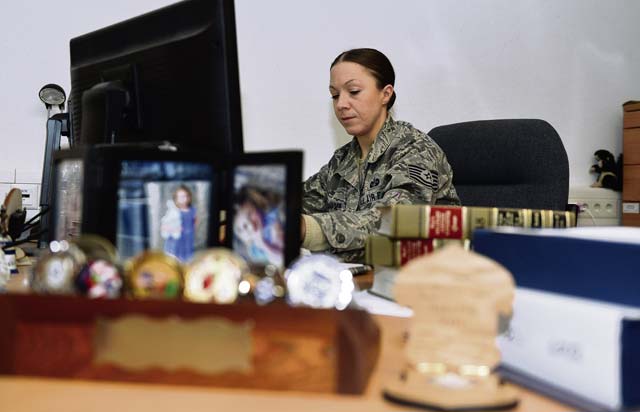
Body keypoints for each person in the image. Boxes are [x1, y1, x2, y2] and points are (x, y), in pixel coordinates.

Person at [301, 48, 460, 263]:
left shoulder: (416, 150)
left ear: (385, 94)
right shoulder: (343, 159)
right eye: (335, 95)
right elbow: (299, 201)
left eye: (354, 91)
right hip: (359, 282)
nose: (341, 104)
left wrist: (308, 229)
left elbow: (395, 222)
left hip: (420, 283)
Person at [161, 185, 197, 262]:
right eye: (180, 197)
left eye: (185, 196)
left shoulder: (192, 209)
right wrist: (174, 228)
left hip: (188, 238)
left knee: (188, 256)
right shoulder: (174, 212)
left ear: (189, 197)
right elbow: (166, 224)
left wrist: (193, 227)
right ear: (176, 199)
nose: (183, 199)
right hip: (177, 240)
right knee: (175, 256)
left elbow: (194, 220)